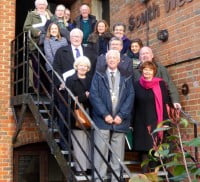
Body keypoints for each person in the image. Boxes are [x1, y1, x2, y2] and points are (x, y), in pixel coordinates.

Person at [89, 50, 134, 181]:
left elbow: (130, 96)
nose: (112, 60)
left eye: (115, 58)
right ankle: (99, 179)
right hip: (102, 121)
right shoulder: (98, 75)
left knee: (117, 155)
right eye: (110, 58)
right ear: (106, 60)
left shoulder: (127, 76)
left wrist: (122, 115)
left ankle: (116, 179)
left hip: (120, 121)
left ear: (119, 60)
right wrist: (105, 114)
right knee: (100, 153)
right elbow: (94, 95)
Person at [53, 28, 97, 150]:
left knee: (87, 118)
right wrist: (60, 83)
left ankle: (87, 147)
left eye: (78, 36)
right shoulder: (61, 51)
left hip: (86, 91)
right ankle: (66, 145)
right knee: (66, 117)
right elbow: (56, 69)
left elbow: (94, 71)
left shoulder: (91, 52)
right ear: (70, 38)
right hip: (67, 90)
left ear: (82, 38)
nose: (76, 38)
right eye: (73, 36)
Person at [132, 61, 170, 173]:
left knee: (154, 148)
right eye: (145, 69)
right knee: (143, 149)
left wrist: (166, 122)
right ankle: (144, 175)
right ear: (142, 71)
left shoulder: (160, 84)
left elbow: (164, 103)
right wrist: (131, 123)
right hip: (140, 121)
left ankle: (154, 175)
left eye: (150, 69)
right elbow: (133, 104)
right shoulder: (136, 84)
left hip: (155, 120)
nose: (147, 72)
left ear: (154, 71)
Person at [66, 56, 92, 175]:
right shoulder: (70, 80)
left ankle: (90, 167)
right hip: (77, 113)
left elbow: (94, 96)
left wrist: (81, 97)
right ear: (77, 66)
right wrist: (84, 96)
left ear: (88, 68)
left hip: (91, 112)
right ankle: (81, 169)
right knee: (79, 142)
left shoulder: (91, 79)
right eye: (81, 65)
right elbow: (69, 99)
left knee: (90, 142)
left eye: (85, 66)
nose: (83, 67)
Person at [23, 0, 52, 91]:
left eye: (43, 4)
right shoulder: (32, 14)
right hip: (36, 44)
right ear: (36, 5)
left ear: (46, 6)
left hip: (48, 44)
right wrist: (37, 32)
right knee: (37, 67)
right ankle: (37, 89)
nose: (42, 6)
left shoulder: (50, 15)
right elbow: (26, 27)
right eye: (40, 4)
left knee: (47, 67)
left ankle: (47, 90)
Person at [43, 23, 68, 92]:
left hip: (63, 66)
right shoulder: (47, 40)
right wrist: (56, 65)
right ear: (49, 30)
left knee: (64, 88)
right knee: (54, 87)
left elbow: (66, 53)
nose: (54, 30)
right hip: (52, 66)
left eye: (55, 28)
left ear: (58, 30)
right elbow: (48, 54)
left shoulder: (64, 39)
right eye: (52, 29)